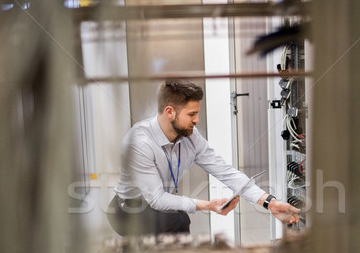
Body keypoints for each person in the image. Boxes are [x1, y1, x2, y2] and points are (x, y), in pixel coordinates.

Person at [107, 80, 301, 236]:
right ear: (169, 112)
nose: (197, 120)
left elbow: (225, 172)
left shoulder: (191, 136)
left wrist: (270, 203)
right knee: (178, 220)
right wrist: (209, 206)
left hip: (156, 209)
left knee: (176, 219)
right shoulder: (139, 142)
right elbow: (157, 199)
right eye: (192, 114)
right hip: (127, 211)